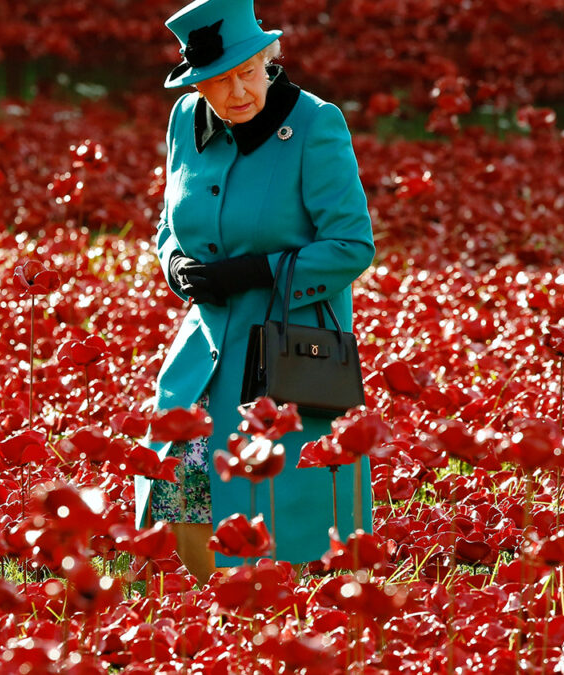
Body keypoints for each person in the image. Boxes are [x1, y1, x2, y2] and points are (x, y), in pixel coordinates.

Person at [133, 0, 376, 585]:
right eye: (217, 81)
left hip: (285, 354)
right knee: (177, 484)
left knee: (282, 506)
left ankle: (282, 628)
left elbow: (351, 246)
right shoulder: (185, 121)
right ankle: (205, 609)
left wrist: (256, 271)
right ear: (197, 83)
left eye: (247, 72)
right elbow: (169, 223)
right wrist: (175, 264)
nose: (237, 91)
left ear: (271, 61)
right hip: (205, 348)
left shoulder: (316, 125)